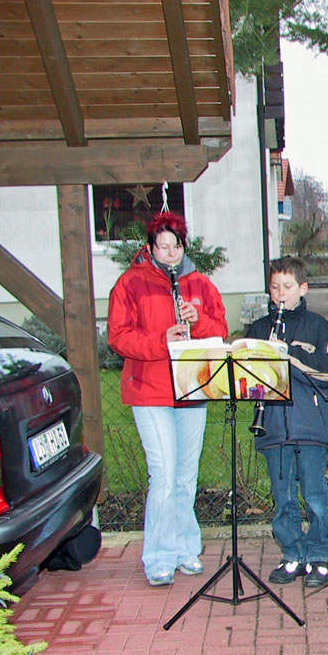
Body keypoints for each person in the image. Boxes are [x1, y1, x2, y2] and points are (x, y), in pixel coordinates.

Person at [108, 211, 228, 587]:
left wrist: (198, 322)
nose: (171, 253)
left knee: (185, 476)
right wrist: (163, 341)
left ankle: (184, 548)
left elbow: (220, 330)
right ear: (150, 247)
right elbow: (118, 337)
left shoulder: (200, 284)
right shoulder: (130, 283)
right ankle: (157, 555)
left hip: (192, 388)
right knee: (163, 475)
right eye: (163, 246)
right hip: (150, 390)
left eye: (176, 246)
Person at [248, 256, 328, 588]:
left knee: (315, 494)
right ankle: (293, 553)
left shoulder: (317, 326)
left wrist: (290, 352)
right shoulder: (259, 328)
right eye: (274, 287)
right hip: (273, 426)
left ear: (302, 288)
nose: (280, 294)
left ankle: (319, 555)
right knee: (283, 495)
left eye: (287, 287)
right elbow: (247, 381)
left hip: (311, 424)